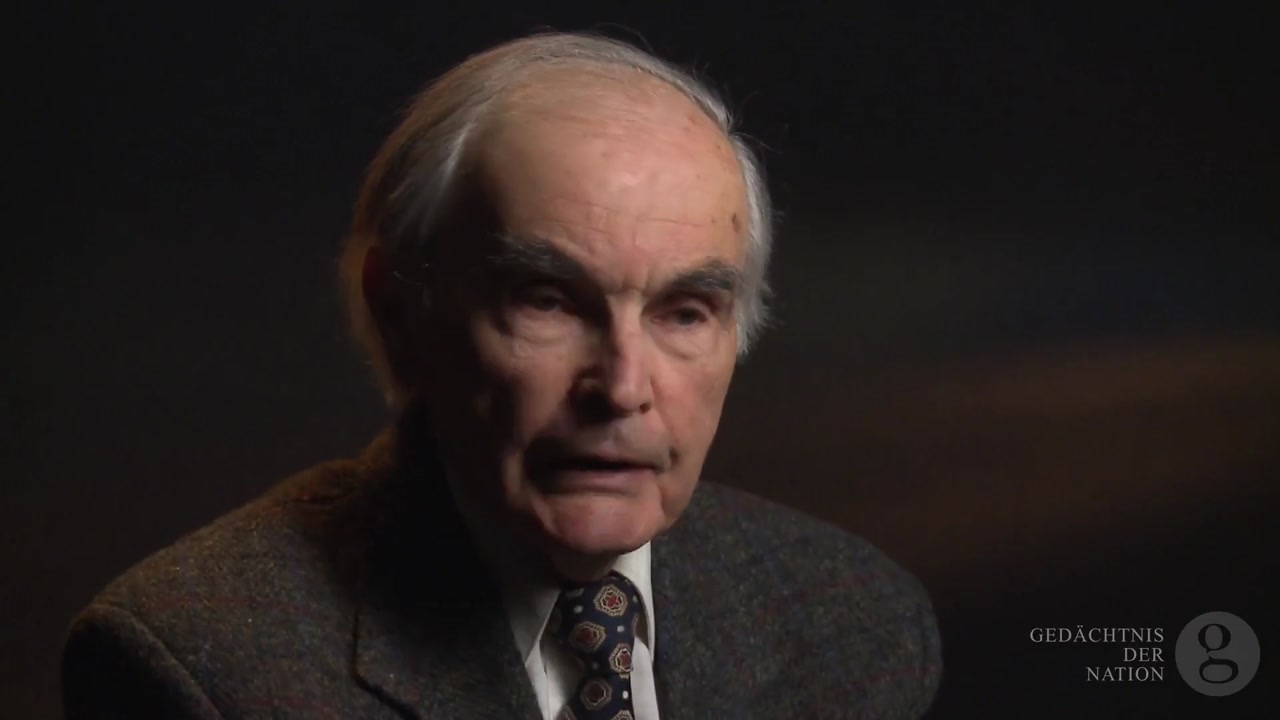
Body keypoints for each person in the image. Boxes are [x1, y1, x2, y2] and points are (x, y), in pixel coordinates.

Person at [62, 32, 942, 719]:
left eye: (683, 312)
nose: (622, 387)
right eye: (547, 300)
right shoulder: (199, 661)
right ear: (399, 312)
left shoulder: (855, 623)